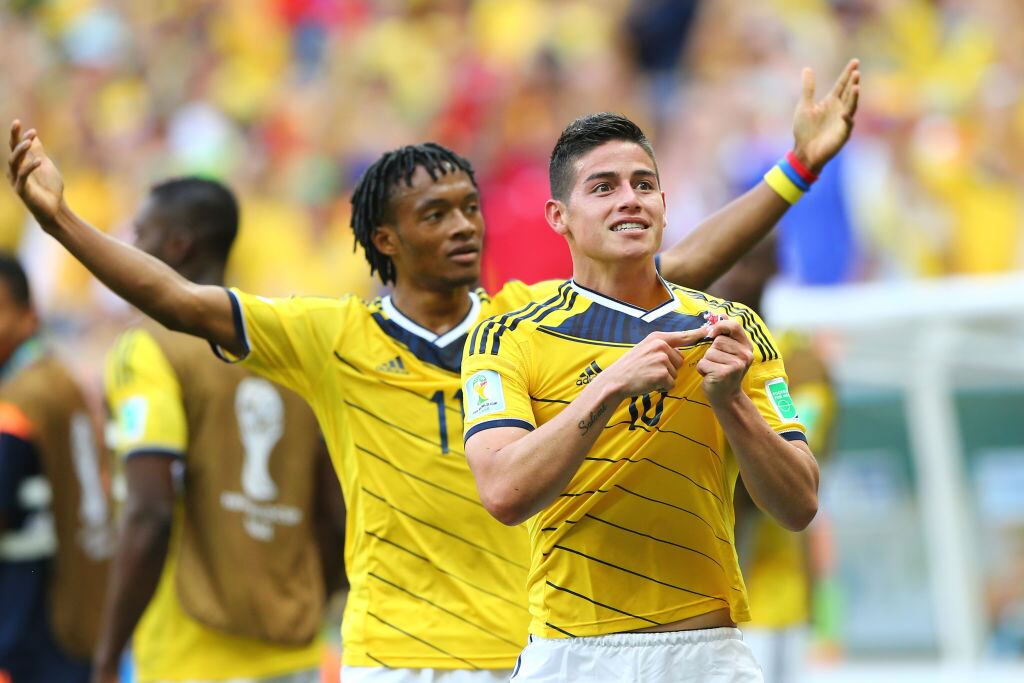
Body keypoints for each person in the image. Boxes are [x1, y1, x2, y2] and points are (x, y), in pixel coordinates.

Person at [6, 57, 858, 683]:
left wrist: (797, 171)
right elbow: (181, 299)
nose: (465, 228)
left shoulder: (523, 319)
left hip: (523, 651)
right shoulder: (327, 336)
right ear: (386, 239)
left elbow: (673, 271)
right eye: (435, 213)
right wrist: (63, 224)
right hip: (391, 658)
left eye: (470, 210)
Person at [460, 112, 839, 681]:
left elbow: (799, 505)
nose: (629, 200)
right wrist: (609, 386)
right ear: (558, 216)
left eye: (643, 185)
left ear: (664, 202)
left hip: (708, 653)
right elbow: (504, 492)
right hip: (574, 656)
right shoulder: (509, 334)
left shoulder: (735, 330)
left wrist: (732, 401)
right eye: (603, 187)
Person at [90, 178, 343, 683]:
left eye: (141, 235)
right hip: (294, 655)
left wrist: (105, 658)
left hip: (188, 658)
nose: (132, 249)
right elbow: (335, 515)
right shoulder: (286, 345)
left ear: (176, 246)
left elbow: (149, 514)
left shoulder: (149, 347)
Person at [709, 237, 840, 683]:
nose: (730, 278)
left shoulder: (797, 358)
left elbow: (799, 456)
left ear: (772, 271)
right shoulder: (692, 345)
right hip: (700, 588)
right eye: (724, 263)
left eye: (744, 261)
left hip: (775, 586)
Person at [0, 253, 113, 683]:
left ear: (29, 316)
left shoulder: (18, 401)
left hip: (29, 626)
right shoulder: (57, 377)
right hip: (79, 610)